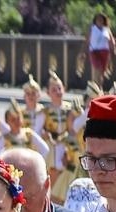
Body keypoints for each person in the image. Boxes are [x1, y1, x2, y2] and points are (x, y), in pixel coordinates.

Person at [43, 73, 86, 202]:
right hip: (52, 147)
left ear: (65, 88)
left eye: (59, 88)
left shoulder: (70, 108)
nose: (57, 92)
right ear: (48, 93)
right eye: (54, 89)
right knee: (51, 175)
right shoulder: (45, 111)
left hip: (68, 146)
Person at [89, 13, 116, 91]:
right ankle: (95, 88)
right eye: (98, 19)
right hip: (94, 51)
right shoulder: (92, 28)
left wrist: (113, 49)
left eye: (101, 19)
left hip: (104, 52)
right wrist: (82, 52)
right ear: (95, 20)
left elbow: (111, 40)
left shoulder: (106, 29)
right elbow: (87, 40)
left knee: (101, 72)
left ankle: (99, 88)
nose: (99, 21)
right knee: (97, 68)